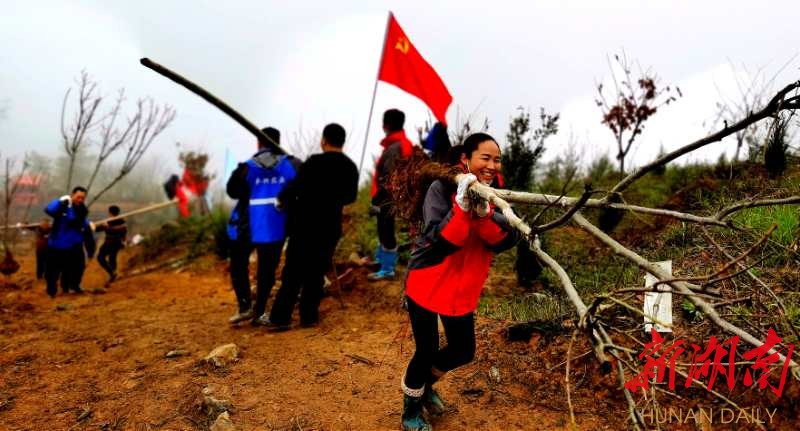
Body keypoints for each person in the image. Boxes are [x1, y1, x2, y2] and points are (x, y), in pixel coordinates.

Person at [399, 133, 519, 431]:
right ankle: (410, 411)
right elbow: (441, 242)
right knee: (426, 349)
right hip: (428, 280)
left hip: (462, 288)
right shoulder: (442, 188)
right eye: (485, 158)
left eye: (497, 159)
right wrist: (461, 208)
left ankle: (424, 386)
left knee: (463, 350)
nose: (492, 165)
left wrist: (483, 216)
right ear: (466, 159)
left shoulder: (496, 195)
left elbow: (505, 240)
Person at [267, 123, 359, 331]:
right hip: (329, 226)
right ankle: (309, 317)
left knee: (293, 271)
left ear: (324, 140)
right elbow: (350, 196)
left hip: (304, 224)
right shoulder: (350, 167)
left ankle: (280, 318)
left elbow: (295, 187)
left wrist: (282, 199)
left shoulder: (314, 162)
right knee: (317, 272)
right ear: (342, 142)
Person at [226, 127, 300, 325]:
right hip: (276, 224)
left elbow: (232, 191)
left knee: (239, 264)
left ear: (259, 143)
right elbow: (303, 188)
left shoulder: (247, 167)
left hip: (247, 224)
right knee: (267, 270)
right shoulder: (292, 165)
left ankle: (245, 306)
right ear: (278, 142)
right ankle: (259, 312)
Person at [369, 108, 414, 280]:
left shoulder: (395, 147)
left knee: (386, 229)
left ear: (385, 125)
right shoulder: (401, 144)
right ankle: (382, 261)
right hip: (392, 195)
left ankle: (387, 269)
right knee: (383, 228)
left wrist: (377, 199)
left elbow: (389, 177)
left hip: (388, 197)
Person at [44, 187, 96, 297]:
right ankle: (51, 291)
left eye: (82, 198)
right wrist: (59, 201)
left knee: (78, 266)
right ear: (72, 195)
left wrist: (89, 224)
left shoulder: (82, 210)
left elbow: (81, 222)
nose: (80, 200)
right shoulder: (63, 206)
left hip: (74, 244)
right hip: (57, 243)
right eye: (78, 197)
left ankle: (72, 286)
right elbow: (49, 210)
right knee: (53, 270)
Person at [95, 205, 127, 284]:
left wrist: (105, 226)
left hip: (112, 242)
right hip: (116, 242)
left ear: (110, 212)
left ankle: (112, 273)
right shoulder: (112, 221)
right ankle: (113, 274)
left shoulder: (119, 221)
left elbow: (118, 230)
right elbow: (97, 229)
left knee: (101, 257)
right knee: (112, 258)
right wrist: (93, 226)